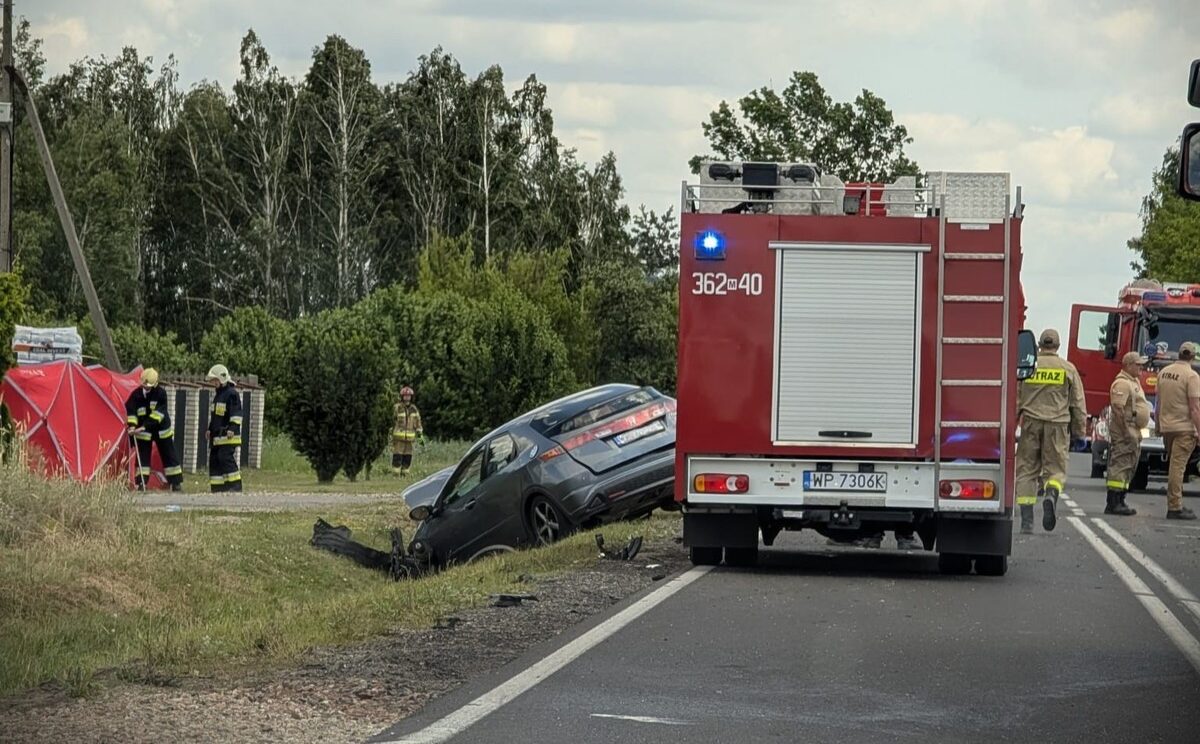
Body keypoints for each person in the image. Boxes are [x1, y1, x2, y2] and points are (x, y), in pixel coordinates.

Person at [1015, 329, 1086, 533]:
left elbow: (1016, 398)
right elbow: (1078, 404)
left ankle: (1027, 521)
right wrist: (1079, 432)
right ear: (1057, 346)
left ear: (1039, 345)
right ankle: (1051, 494)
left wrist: (1011, 425)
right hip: (1058, 425)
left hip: (1030, 423)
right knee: (1055, 469)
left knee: (1027, 469)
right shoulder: (1068, 369)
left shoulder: (1028, 367)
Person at [1152, 342, 1200, 520]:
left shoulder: (1163, 373)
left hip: (1167, 428)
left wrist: (1158, 426)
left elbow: (1158, 404)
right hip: (1184, 429)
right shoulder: (1192, 376)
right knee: (1177, 469)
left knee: (1174, 466)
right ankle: (1175, 507)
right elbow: (1195, 408)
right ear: (1193, 357)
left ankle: (1175, 502)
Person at [124, 368, 183, 491]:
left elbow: (158, 414)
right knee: (143, 456)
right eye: (144, 385)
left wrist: (144, 426)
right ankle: (141, 483)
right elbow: (131, 411)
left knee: (169, 456)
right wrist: (133, 425)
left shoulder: (161, 394)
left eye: (148, 386)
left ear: (155, 384)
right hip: (142, 431)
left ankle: (176, 483)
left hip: (161, 430)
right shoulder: (136, 395)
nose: (146, 388)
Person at [1104, 352, 1149, 516]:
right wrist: (1125, 431)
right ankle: (1113, 502)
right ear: (1128, 365)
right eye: (1138, 365)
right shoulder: (1122, 383)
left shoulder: (1134, 382)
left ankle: (1121, 500)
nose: (1141, 367)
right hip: (1125, 429)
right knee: (1120, 464)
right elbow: (1118, 408)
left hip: (1133, 429)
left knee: (1129, 464)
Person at [206, 364, 243, 493]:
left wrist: (232, 428)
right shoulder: (218, 396)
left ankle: (235, 485)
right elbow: (216, 416)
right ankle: (218, 488)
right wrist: (210, 429)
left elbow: (236, 414)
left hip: (228, 436)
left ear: (222, 379)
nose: (213, 383)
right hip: (217, 437)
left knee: (225, 457)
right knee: (215, 460)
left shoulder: (231, 394)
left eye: (215, 380)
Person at [392, 385, 423, 476]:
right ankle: (396, 473)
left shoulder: (414, 409)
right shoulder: (397, 408)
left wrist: (420, 437)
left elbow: (418, 423)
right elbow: (392, 421)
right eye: (405, 396)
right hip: (398, 438)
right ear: (402, 397)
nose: (407, 398)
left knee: (408, 456)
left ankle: (405, 473)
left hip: (410, 439)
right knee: (397, 455)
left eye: (408, 396)